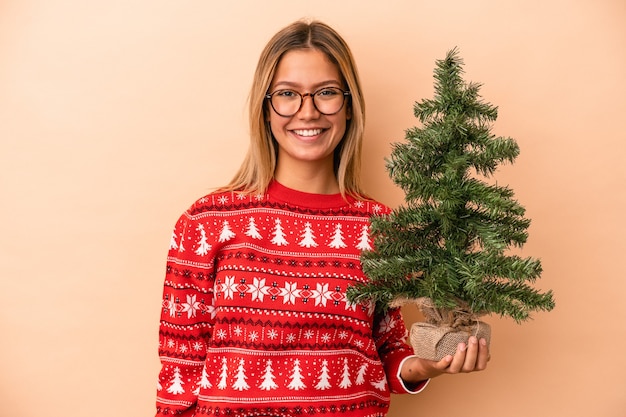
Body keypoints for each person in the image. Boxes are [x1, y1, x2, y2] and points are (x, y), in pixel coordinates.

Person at [155, 19, 489, 417]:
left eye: (326, 93)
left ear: (349, 107)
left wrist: (424, 368)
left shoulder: (381, 228)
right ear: (265, 109)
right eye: (287, 94)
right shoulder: (206, 222)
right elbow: (179, 372)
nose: (307, 111)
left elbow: (387, 349)